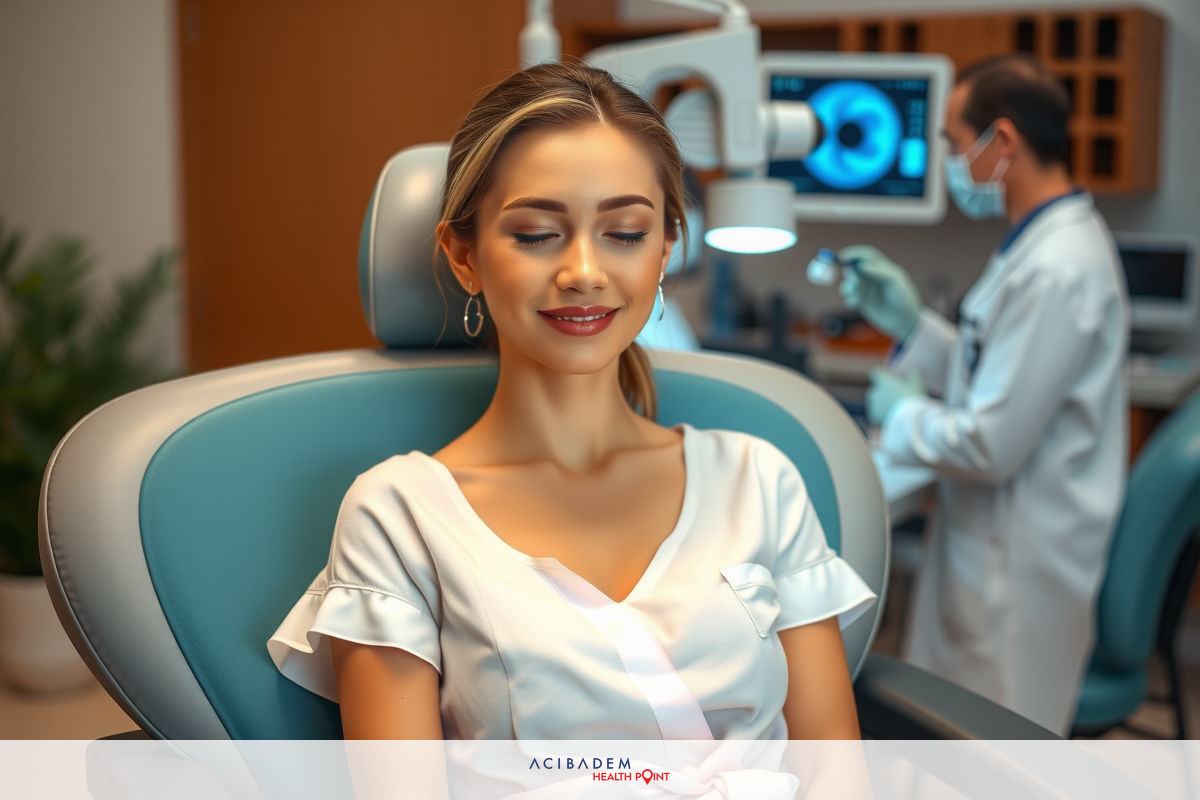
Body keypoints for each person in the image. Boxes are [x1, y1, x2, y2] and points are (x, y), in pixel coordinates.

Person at [268, 62, 875, 742]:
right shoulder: (398, 517)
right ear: (463, 257)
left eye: (624, 233)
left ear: (666, 250)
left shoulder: (759, 481)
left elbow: (833, 772)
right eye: (534, 234)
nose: (584, 272)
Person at [837, 54, 1129, 735]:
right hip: (997, 543)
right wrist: (913, 324)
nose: (946, 157)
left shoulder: (1058, 268)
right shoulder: (1041, 243)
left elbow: (991, 442)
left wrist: (900, 413)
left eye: (951, 142)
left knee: (987, 752)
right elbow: (996, 370)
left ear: (1002, 143)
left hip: (1015, 567)